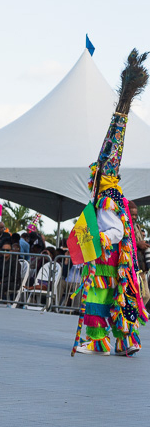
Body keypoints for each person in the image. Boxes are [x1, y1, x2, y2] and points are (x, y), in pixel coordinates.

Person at [73, 49, 148, 356]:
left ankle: (98, 339)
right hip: (112, 257)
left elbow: (115, 230)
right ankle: (119, 340)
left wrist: (97, 239)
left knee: (99, 298)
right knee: (112, 296)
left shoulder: (106, 198)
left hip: (108, 256)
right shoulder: (110, 194)